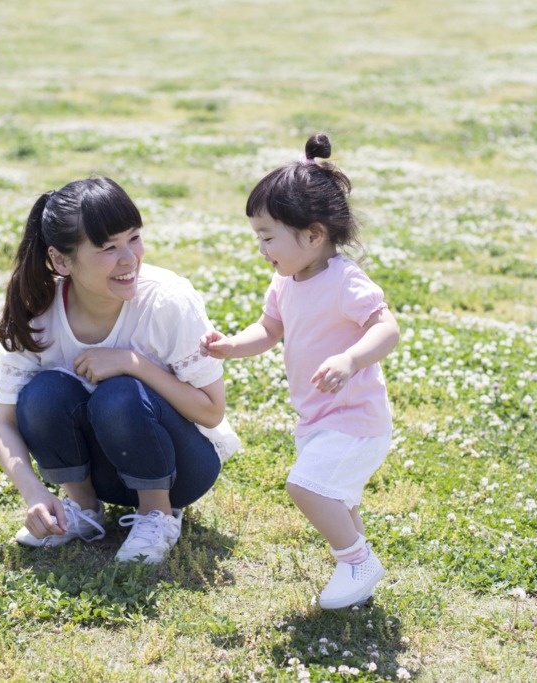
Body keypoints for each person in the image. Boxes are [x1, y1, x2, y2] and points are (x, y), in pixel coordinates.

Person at [0, 177, 240, 565]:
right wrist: (35, 493)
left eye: (134, 238)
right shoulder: (38, 313)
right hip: (106, 468)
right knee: (42, 393)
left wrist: (132, 363)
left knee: (120, 392)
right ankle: (83, 509)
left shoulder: (167, 300)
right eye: (108, 248)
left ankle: (157, 514)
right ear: (60, 261)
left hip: (184, 467)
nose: (129, 259)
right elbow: (4, 422)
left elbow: (211, 410)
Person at [200, 134, 400, 608]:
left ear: (313, 235)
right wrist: (230, 347)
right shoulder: (285, 280)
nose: (262, 248)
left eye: (268, 237)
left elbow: (387, 329)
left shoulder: (345, 281)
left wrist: (351, 359)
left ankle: (357, 561)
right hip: (317, 418)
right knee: (340, 498)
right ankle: (357, 573)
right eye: (259, 237)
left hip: (356, 419)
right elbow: (270, 330)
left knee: (305, 486)